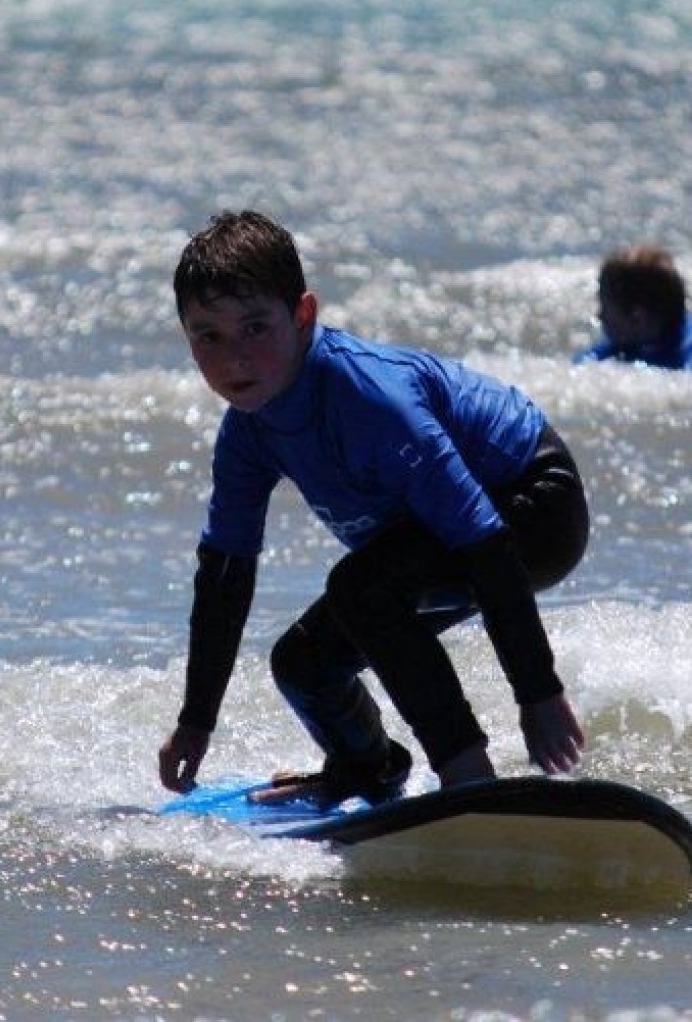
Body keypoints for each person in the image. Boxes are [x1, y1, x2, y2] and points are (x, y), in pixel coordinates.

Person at [158, 210, 590, 807]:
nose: (235, 358)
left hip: (536, 506)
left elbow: (482, 540)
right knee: (304, 662)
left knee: (363, 588)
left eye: (256, 327)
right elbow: (226, 576)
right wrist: (196, 721)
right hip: (449, 536)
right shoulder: (246, 436)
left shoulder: (371, 399)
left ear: (304, 317)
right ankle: (367, 768)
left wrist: (537, 693)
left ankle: (467, 774)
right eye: (209, 336)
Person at [575, 244, 692, 371]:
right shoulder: (620, 348)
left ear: (638, 317)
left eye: (605, 308)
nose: (599, 316)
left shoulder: (686, 351)